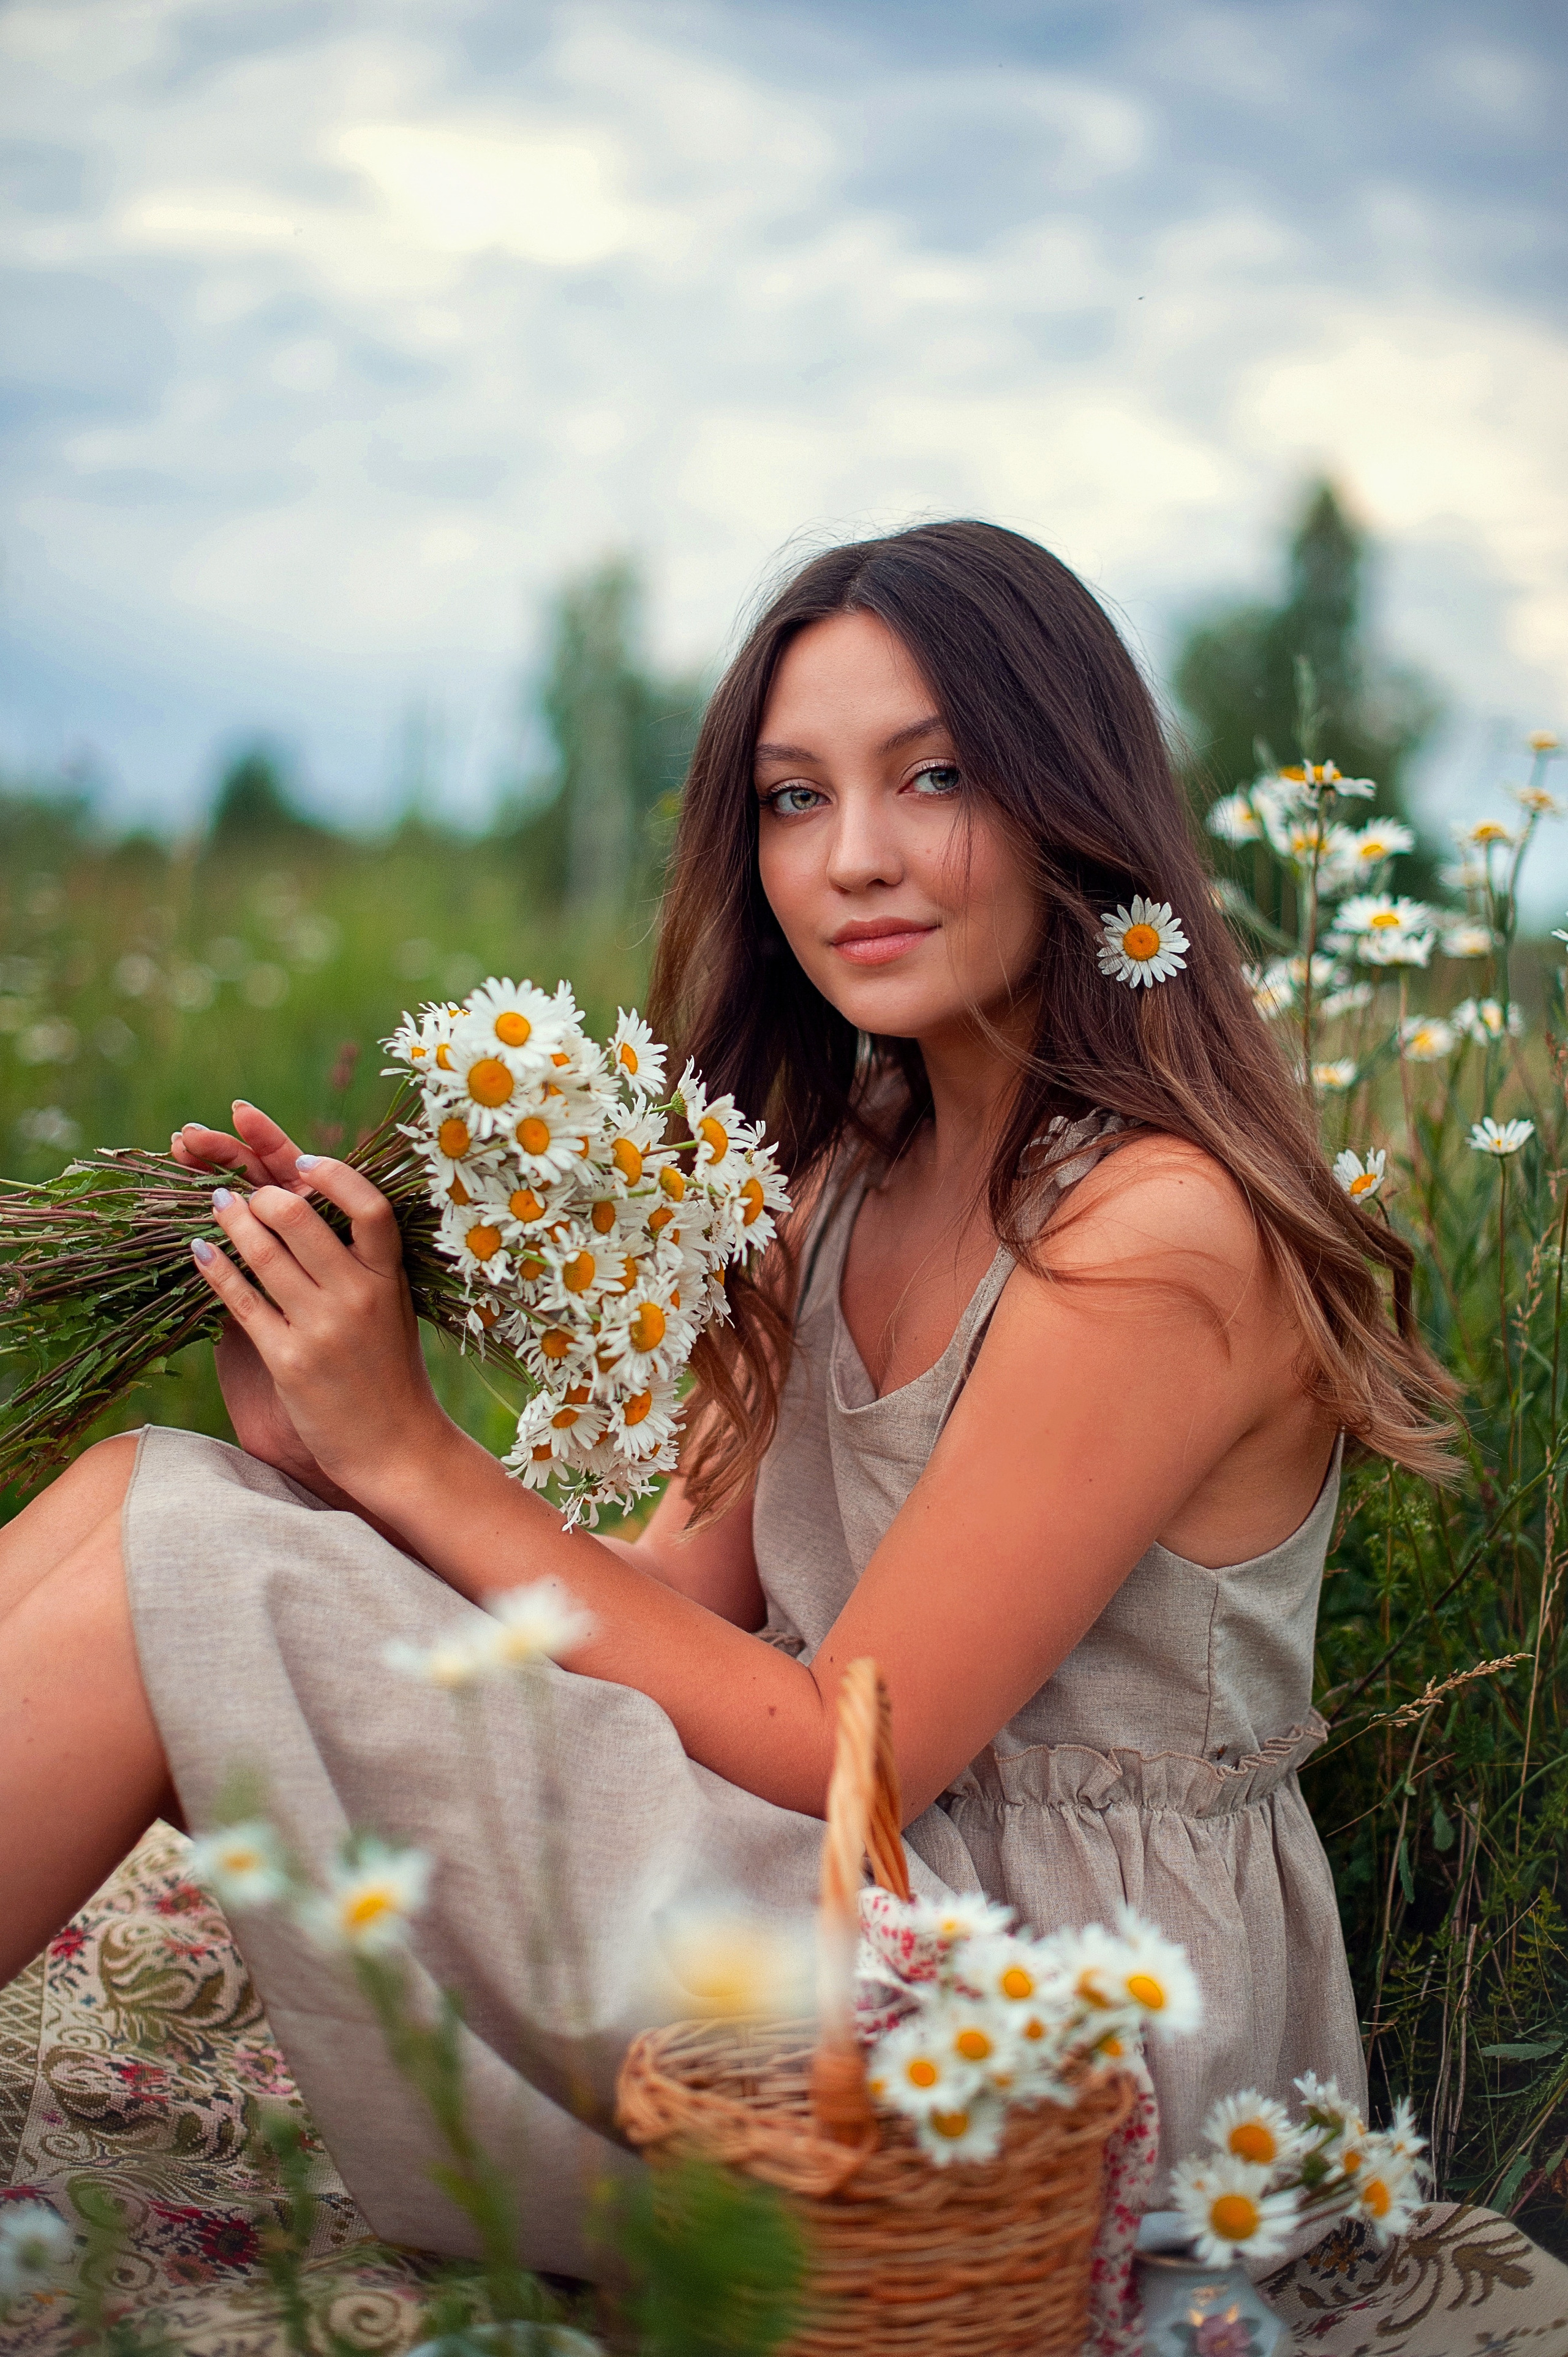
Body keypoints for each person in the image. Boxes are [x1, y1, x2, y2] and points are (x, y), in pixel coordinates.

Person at [0, 520, 1453, 2269]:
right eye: (791, 798)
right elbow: (678, 1595)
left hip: (1042, 2005)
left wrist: (410, 1452)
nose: (855, 857)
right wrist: (342, 1449)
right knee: (174, 1493)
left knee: (191, 1570)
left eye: (934, 777)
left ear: (1078, 803)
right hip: (827, 1877)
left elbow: (850, 1748)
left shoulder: (1160, 1237)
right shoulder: (837, 1177)